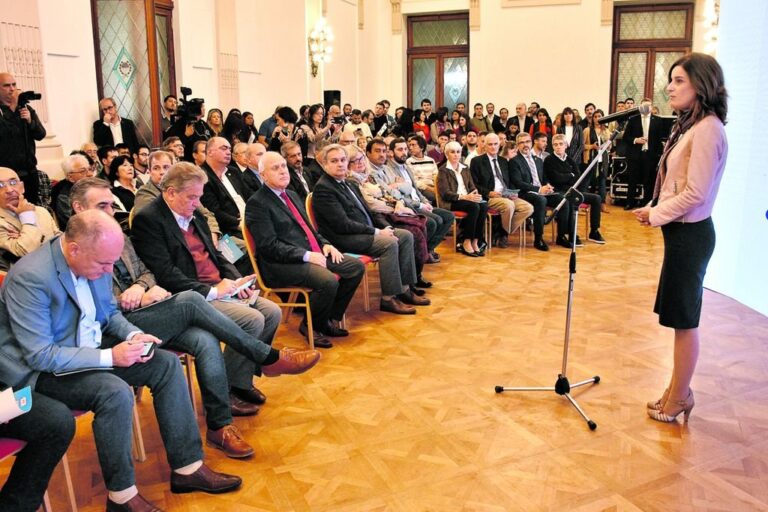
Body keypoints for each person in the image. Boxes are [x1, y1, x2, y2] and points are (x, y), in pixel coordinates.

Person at [0, 210, 243, 511]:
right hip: (40, 372)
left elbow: (110, 314)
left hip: (88, 350)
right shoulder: (31, 277)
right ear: (73, 248)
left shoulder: (96, 260)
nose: (107, 272)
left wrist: (133, 336)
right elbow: (42, 355)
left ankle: (187, 468)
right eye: (103, 264)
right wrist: (110, 356)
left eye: (110, 263)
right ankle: (122, 497)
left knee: (165, 364)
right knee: (112, 391)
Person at [633, 53, 728, 423]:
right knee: (679, 319)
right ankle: (677, 391)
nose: (669, 87)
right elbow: (679, 184)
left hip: (691, 235)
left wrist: (656, 213)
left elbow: (697, 193)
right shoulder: (694, 126)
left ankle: (679, 398)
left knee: (685, 322)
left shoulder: (708, 129)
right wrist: (655, 204)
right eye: (670, 80)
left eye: (679, 81)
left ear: (700, 85)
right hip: (681, 234)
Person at [245, 151, 365, 348]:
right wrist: (307, 255)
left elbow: (308, 228)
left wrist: (325, 244)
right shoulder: (257, 203)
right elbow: (269, 246)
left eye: (284, 166)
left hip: (311, 254)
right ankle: (311, 325)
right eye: (275, 168)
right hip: (281, 264)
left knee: (354, 268)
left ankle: (327, 319)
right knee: (327, 281)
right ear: (263, 175)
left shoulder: (290, 194)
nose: (283, 171)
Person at [312, 144, 427, 314]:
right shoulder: (324, 189)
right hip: (344, 238)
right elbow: (342, 225)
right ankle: (389, 298)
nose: (340, 164)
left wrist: (384, 226)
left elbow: (368, 212)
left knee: (405, 235)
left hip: (362, 231)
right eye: (334, 161)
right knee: (389, 244)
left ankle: (405, 289)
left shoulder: (348, 183)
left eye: (343, 160)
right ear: (325, 165)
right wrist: (378, 232)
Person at [469, 133, 533, 248]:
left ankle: (501, 232)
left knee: (528, 208)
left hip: (505, 194)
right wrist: (489, 193)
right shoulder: (477, 161)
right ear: (485, 146)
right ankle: (502, 234)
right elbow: (474, 184)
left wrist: (513, 192)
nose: (493, 147)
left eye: (495, 144)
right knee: (509, 205)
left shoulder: (504, 161)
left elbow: (510, 181)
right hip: (490, 196)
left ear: (500, 145)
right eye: (490, 144)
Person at [508, 132, 567, 252]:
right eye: (522, 142)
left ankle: (561, 236)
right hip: (525, 193)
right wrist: (539, 190)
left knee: (563, 199)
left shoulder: (538, 160)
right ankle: (538, 239)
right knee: (541, 200)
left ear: (531, 143)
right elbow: (518, 182)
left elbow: (544, 179)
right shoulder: (514, 161)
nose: (525, 145)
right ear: (518, 145)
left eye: (527, 142)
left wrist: (548, 186)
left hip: (541, 191)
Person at [543, 134, 606, 246]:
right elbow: (556, 179)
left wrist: (566, 176)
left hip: (572, 190)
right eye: (555, 144)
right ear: (552, 146)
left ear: (566, 145)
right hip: (559, 191)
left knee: (596, 198)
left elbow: (578, 177)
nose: (558, 147)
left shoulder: (570, 160)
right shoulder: (549, 160)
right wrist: (569, 175)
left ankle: (594, 231)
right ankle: (568, 235)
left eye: (561, 144)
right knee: (569, 200)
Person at [0, 72, 47, 205]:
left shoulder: (26, 109)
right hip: (6, 174)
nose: (12, 89)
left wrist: (30, 121)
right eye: (6, 85)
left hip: (30, 171)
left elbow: (41, 134)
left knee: (31, 206)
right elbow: (7, 133)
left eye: (14, 85)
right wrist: (14, 106)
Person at [0, 166, 60, 270]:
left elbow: (62, 243)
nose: (9, 190)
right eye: (0, 185)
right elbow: (26, 251)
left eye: (13, 183)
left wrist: (27, 238)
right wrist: (27, 218)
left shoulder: (41, 211)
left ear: (22, 187)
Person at [437, 141, 488, 256]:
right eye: (452, 152)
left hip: (467, 199)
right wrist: (465, 197)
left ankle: (476, 240)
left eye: (458, 152)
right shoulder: (443, 170)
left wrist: (475, 194)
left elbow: (472, 187)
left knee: (483, 205)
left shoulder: (465, 168)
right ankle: (466, 241)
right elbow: (445, 193)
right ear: (446, 154)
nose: (456, 155)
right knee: (474, 206)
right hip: (453, 201)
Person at [623, 99, 664, 209]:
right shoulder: (633, 120)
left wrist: (657, 155)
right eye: (644, 105)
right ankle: (629, 203)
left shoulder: (658, 121)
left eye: (648, 105)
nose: (646, 108)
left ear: (651, 107)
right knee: (632, 179)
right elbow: (625, 137)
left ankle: (646, 203)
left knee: (649, 181)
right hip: (635, 155)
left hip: (650, 156)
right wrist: (636, 140)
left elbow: (660, 139)